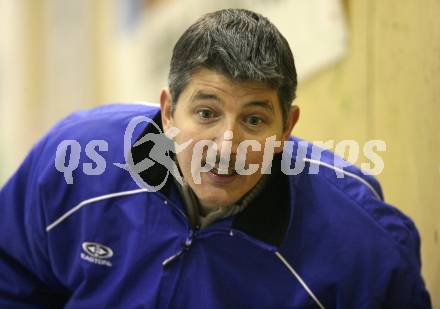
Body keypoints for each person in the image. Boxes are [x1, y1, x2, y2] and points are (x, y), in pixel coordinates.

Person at [0, 8, 431, 308]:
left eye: (254, 120)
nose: (226, 147)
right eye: (206, 113)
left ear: (286, 128)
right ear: (168, 111)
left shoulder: (359, 242)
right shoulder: (74, 165)